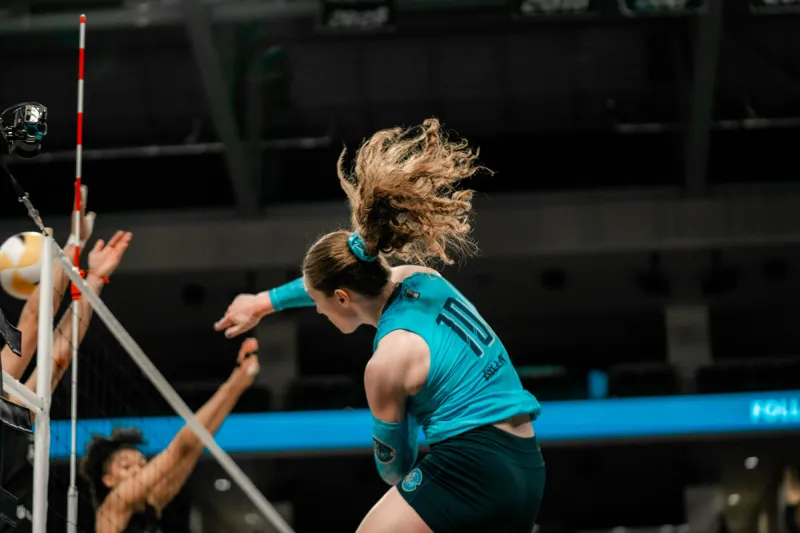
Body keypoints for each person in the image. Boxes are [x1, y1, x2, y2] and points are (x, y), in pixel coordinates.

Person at [215, 118, 545, 533]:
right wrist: (264, 302)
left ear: (342, 299)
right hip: (526, 464)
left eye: (318, 305)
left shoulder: (387, 362)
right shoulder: (421, 279)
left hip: (473, 465)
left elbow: (395, 469)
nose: (316, 311)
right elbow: (326, 278)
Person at [80, 338, 260, 533]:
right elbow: (179, 447)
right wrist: (230, 385)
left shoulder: (152, 504)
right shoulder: (112, 506)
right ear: (108, 480)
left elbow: (195, 446)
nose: (137, 470)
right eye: (126, 466)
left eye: (142, 463)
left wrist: (239, 384)